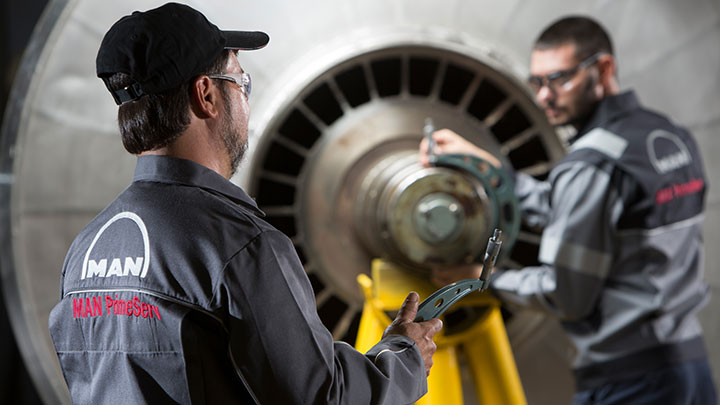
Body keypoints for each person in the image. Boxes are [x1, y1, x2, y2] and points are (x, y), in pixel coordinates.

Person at [47, 3, 442, 404]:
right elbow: (321, 398)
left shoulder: (86, 252)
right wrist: (404, 359)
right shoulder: (239, 247)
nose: (246, 102)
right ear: (206, 95)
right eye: (241, 82)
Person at [420, 16, 717, 405]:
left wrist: (482, 277)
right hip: (689, 369)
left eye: (559, 80)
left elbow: (565, 294)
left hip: (629, 381)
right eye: (537, 83)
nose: (544, 96)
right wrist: (493, 172)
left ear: (604, 69)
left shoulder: (591, 164)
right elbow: (581, 216)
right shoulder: (667, 136)